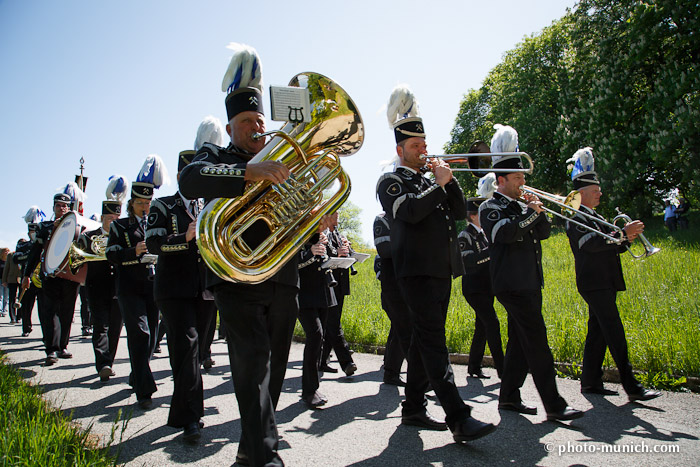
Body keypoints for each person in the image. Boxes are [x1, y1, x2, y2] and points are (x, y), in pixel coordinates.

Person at [179, 43, 311, 466]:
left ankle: (249, 450)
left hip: (282, 275)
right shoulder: (216, 156)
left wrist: (308, 208)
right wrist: (248, 172)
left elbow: (298, 214)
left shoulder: (280, 160)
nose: (256, 127)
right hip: (236, 278)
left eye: (259, 119)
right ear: (231, 126)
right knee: (253, 366)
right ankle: (266, 458)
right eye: (246, 122)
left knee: (271, 370)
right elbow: (190, 178)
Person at [376, 85, 495, 443]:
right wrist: (437, 185)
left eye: (424, 145)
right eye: (416, 146)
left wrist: (449, 181)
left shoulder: (433, 181)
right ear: (400, 150)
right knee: (433, 342)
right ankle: (458, 417)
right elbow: (408, 212)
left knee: (422, 342)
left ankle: (413, 408)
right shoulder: (390, 180)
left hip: (442, 271)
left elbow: (459, 212)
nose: (423, 150)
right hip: (415, 273)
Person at [479, 124, 583, 421]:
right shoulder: (491, 206)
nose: (523, 181)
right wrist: (529, 213)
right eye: (517, 177)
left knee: (519, 343)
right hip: (511, 284)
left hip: (529, 281)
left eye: (523, 176)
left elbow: (545, 233)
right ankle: (554, 404)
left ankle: (509, 397)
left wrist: (538, 211)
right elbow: (505, 234)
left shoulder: (523, 204)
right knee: (537, 342)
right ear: (501, 180)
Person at [145, 118, 225, 443]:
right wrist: (185, 236)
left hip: (205, 289)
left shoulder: (212, 206)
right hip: (173, 289)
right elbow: (152, 243)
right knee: (188, 347)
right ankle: (193, 419)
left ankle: (179, 413)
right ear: (181, 175)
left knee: (190, 352)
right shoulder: (163, 205)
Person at [565, 147, 660, 402]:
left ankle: (590, 381)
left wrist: (627, 238)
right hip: (593, 282)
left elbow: (611, 246)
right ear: (582, 194)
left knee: (597, 331)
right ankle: (632, 386)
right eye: (595, 191)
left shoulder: (595, 216)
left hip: (603, 280)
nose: (600, 194)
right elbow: (590, 244)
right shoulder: (576, 214)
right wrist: (621, 234)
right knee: (614, 331)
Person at [106, 155, 166, 409]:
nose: (145, 207)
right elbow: (111, 255)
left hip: (153, 286)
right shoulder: (120, 227)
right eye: (140, 202)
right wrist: (135, 252)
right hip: (129, 287)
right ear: (131, 203)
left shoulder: (156, 223)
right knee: (139, 334)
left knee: (151, 337)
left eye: (148, 202)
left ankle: (136, 373)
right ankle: (144, 391)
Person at [22, 188, 83, 366]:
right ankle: (50, 349)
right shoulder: (45, 227)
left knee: (67, 312)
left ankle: (63, 346)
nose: (62, 208)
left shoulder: (76, 226)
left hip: (70, 276)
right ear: (54, 207)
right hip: (50, 276)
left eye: (65, 206)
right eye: (59, 206)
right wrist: (27, 274)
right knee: (49, 313)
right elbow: (35, 252)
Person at [77, 175, 126, 383]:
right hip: (96, 286)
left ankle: (109, 361)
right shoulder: (90, 237)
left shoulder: (125, 236)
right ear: (103, 218)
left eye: (116, 219)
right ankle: (102, 363)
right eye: (109, 219)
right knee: (101, 325)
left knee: (115, 327)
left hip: (118, 287)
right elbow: (78, 258)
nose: (113, 222)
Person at [458, 196, 504, 379]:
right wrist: (490, 251)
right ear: (473, 216)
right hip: (474, 288)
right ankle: (503, 368)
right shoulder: (465, 235)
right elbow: (468, 262)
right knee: (492, 323)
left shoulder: (484, 234)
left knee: (482, 327)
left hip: (487, 287)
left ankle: (474, 367)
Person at [297, 232, 336, 408]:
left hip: (322, 292)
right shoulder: (298, 230)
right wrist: (310, 252)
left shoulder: (323, 235)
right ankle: (309, 391)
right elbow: (292, 261)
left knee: (319, 339)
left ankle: (312, 388)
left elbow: (328, 260)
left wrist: (332, 254)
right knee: (315, 336)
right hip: (304, 293)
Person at [320, 212, 357, 376]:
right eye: (334, 217)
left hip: (340, 285)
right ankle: (346, 361)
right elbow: (324, 257)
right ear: (326, 218)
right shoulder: (321, 235)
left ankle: (321, 361)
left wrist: (348, 249)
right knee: (334, 324)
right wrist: (338, 255)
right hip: (327, 284)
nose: (337, 221)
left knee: (331, 323)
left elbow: (351, 255)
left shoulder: (338, 234)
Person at [373, 213, 406, 386]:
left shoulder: (408, 216)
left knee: (400, 329)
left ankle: (391, 371)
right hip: (392, 283)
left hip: (409, 282)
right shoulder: (382, 219)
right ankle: (392, 372)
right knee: (403, 327)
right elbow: (384, 249)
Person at [14, 207, 45, 337]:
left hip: (41, 278)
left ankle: (46, 333)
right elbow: (16, 258)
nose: (33, 233)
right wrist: (31, 254)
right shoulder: (23, 245)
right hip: (27, 279)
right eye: (32, 230)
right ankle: (26, 328)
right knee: (26, 306)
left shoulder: (44, 244)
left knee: (44, 308)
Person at [2, 247, 21, 324]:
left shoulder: (27, 253)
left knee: (21, 299)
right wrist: (4, 280)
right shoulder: (11, 255)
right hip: (12, 279)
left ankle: (19, 317)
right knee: (12, 298)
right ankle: (12, 317)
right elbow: (6, 267)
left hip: (22, 279)